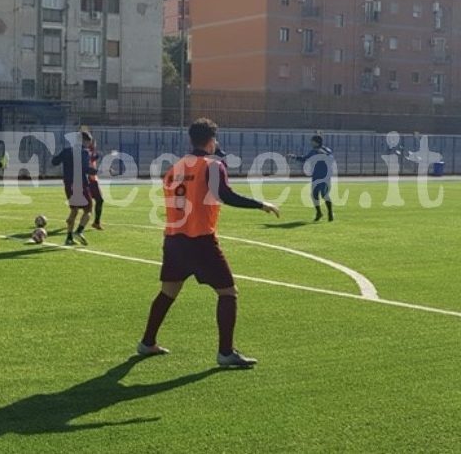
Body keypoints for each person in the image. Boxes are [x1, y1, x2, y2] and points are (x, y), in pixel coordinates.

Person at [138, 118, 280, 368]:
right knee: (228, 293)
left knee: (168, 291)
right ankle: (226, 353)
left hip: (174, 239)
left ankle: (147, 342)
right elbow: (225, 195)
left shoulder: (175, 167)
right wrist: (261, 204)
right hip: (200, 239)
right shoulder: (212, 165)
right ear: (212, 141)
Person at [50, 132, 99, 246]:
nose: (88, 144)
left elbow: (54, 162)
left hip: (68, 184)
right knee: (88, 210)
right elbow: (85, 169)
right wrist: (97, 171)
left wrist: (61, 157)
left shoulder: (66, 151)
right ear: (84, 141)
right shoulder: (84, 152)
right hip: (80, 184)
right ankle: (79, 231)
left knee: (74, 210)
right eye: (88, 142)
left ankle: (69, 237)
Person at [288, 135, 335, 222]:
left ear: (317, 142)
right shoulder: (313, 151)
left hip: (325, 176)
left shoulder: (326, 150)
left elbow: (330, 158)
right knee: (314, 195)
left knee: (324, 195)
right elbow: (305, 158)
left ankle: (330, 213)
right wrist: (295, 157)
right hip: (315, 176)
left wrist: (322, 152)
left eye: (312, 141)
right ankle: (319, 213)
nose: (311, 143)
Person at [87, 140, 106, 230]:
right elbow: (94, 157)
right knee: (99, 200)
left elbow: (95, 156)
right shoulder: (88, 152)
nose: (94, 145)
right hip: (91, 180)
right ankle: (96, 223)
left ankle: (96, 222)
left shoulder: (89, 152)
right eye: (93, 143)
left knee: (88, 202)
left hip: (92, 179)